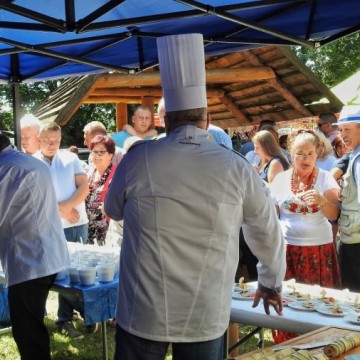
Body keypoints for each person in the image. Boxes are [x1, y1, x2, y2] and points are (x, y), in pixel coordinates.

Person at [105, 33, 285, 360]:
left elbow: (112, 209)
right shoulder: (236, 166)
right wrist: (271, 281)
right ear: (208, 119)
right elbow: (266, 229)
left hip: (144, 306)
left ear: (167, 120)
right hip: (205, 308)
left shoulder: (138, 158)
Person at [0, 133, 70, 360]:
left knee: (28, 331)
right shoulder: (26, 161)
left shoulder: (6, 168)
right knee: (31, 325)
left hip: (30, 260)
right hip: (45, 254)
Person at [33, 122, 90, 338]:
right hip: (50, 227)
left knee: (77, 272)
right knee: (59, 274)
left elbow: (84, 187)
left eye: (56, 141)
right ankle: (70, 318)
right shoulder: (32, 162)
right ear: (39, 138)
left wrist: (66, 207)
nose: (52, 145)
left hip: (77, 224)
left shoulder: (71, 158)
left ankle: (69, 317)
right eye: (48, 140)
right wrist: (61, 212)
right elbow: (34, 198)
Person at [271, 129, 341, 287]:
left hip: (319, 247)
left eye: (310, 153)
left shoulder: (325, 178)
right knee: (290, 298)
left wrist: (322, 201)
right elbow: (272, 216)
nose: (306, 158)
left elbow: (333, 215)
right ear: (291, 154)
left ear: (317, 154)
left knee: (318, 300)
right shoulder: (280, 180)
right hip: (287, 248)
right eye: (300, 153)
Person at [334, 105, 360, 292]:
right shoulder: (353, 155)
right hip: (352, 237)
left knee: (354, 294)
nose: (342, 134)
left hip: (356, 242)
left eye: (348, 129)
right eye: (341, 130)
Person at [86, 135, 116, 245]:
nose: (97, 155)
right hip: (89, 228)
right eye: (94, 151)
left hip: (108, 230)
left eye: (102, 152)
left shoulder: (118, 175)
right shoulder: (90, 172)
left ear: (110, 155)